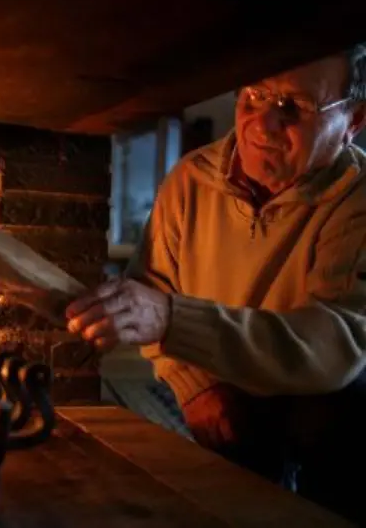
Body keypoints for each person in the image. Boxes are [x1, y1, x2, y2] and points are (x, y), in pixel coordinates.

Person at [65, 43, 366, 524]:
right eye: (254, 96)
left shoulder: (356, 201)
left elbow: (332, 346)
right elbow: (153, 284)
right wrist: (193, 385)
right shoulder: (191, 180)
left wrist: (170, 317)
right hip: (225, 394)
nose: (263, 124)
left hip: (325, 409)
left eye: (295, 107)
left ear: (353, 120)